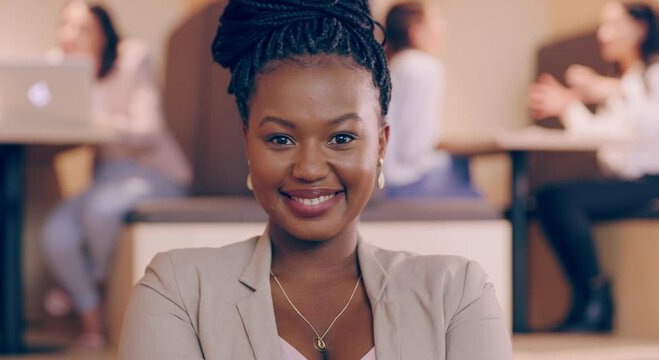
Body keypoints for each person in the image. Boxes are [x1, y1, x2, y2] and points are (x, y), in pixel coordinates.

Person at [119, 0, 511, 359]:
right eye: (280, 139)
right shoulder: (179, 291)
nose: (308, 168)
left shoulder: (456, 293)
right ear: (247, 143)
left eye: (341, 138)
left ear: (381, 145)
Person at [41, 0, 191, 348]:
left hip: (151, 172)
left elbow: (148, 130)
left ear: (103, 34)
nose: (70, 35)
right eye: (65, 25)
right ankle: (92, 323)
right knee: (55, 234)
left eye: (81, 28)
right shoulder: (67, 71)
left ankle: (92, 282)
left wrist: (101, 123)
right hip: (107, 178)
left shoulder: (132, 58)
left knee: (101, 210)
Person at [528, 1, 659, 332]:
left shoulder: (652, 75)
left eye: (613, 24)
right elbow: (604, 140)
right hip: (627, 181)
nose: (604, 34)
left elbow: (650, 129)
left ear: (641, 28)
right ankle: (589, 297)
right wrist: (569, 105)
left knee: (561, 200)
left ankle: (596, 299)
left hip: (651, 181)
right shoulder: (625, 80)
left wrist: (611, 90)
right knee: (549, 198)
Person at [383, 1, 479, 198]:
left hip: (386, 177)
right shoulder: (424, 67)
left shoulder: (395, 65)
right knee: (473, 190)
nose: (443, 27)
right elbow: (415, 150)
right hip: (406, 181)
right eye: (436, 20)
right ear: (415, 32)